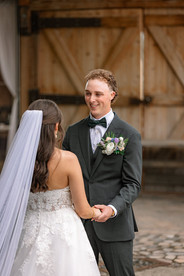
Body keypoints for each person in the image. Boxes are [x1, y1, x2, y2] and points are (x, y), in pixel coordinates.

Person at [0, 99, 101, 276]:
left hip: (28, 229)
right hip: (63, 232)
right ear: (56, 126)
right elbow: (83, 210)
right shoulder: (69, 160)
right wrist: (97, 212)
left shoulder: (21, 162)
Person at [63, 69, 142, 276]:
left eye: (98, 94)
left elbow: (133, 184)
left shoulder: (129, 135)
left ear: (112, 95)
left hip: (115, 225)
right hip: (79, 224)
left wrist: (112, 208)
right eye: (88, 93)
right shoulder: (73, 132)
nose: (92, 99)